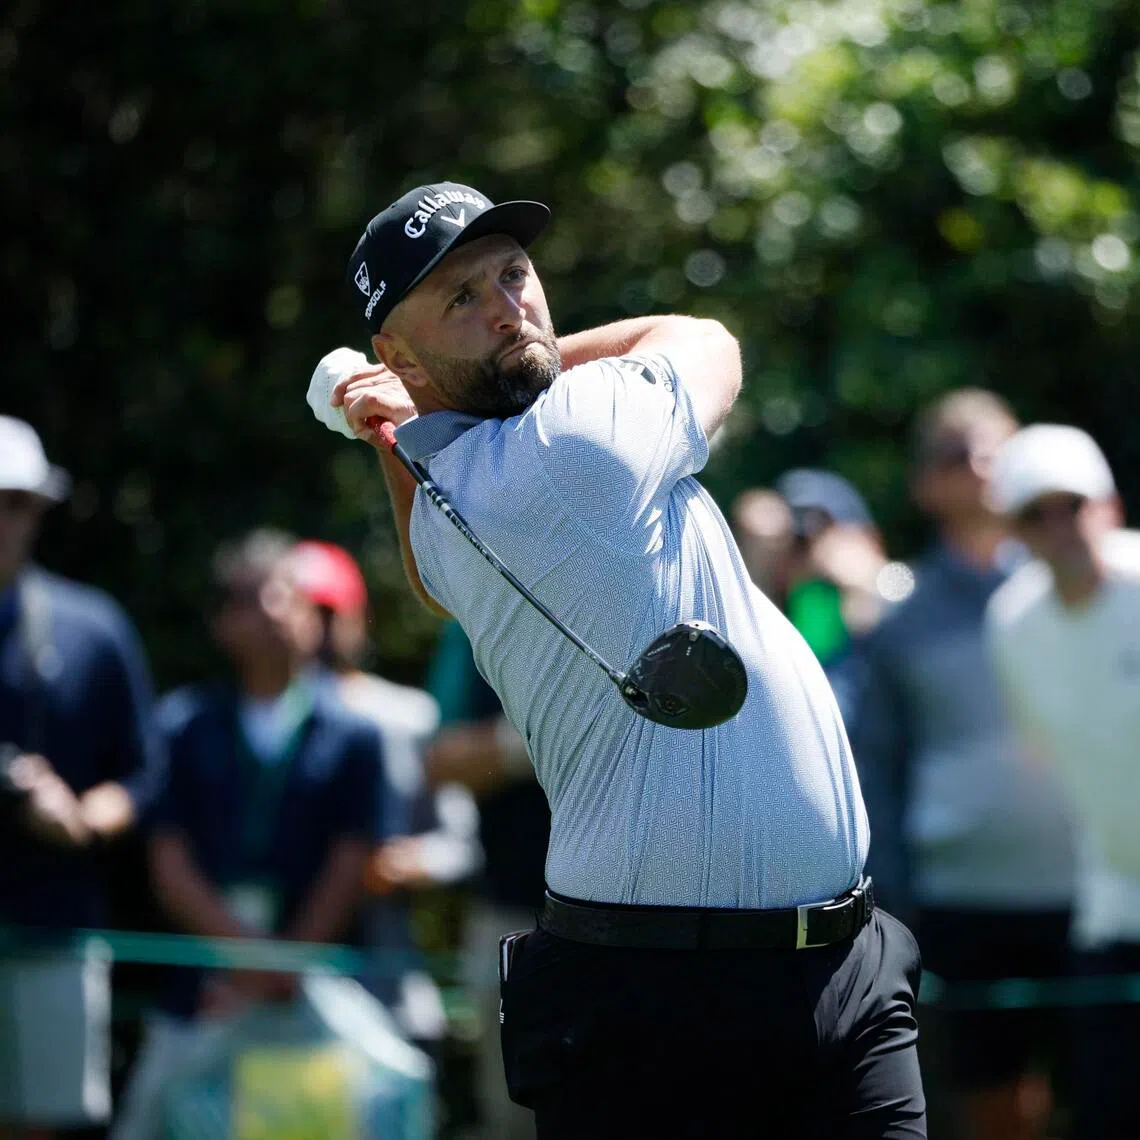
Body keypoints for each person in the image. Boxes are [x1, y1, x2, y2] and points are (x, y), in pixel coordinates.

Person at [309, 179, 925, 1139]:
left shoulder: (456, 500)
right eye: (461, 300)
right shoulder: (581, 438)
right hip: (662, 996)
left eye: (513, 276)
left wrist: (402, 417)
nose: (508, 307)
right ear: (399, 354)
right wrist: (512, 369)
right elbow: (704, 337)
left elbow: (435, 567)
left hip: (837, 967)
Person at [850, 391, 1076, 1140]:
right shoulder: (900, 623)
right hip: (961, 905)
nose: (980, 467)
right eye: (956, 454)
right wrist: (896, 905)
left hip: (1096, 900)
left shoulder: (1085, 591)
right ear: (926, 485)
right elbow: (878, 769)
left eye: (995, 451)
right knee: (995, 1109)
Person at [112, 529, 383, 1140]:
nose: (293, 610)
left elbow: (352, 861)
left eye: (299, 596)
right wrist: (250, 962)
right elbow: (170, 865)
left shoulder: (354, 734)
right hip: (200, 996)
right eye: (271, 594)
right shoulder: (182, 726)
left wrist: (281, 969)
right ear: (225, 621)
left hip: (311, 1001)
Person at [0, 415, 165, 1138]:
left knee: (45, 1124)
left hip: (54, 923)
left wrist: (79, 816)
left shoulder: (90, 629)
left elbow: (143, 773)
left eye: (11, 503)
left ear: (38, 510)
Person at [985, 424, 1140, 1140]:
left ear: (1105, 504)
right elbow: (1043, 750)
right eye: (1033, 514)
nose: (1057, 527)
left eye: (1069, 504)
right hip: (1112, 906)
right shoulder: (1011, 623)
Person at [290, 538, 480, 1055]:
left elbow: (460, 844)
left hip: (386, 977)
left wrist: (407, 863)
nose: (319, 629)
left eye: (330, 612)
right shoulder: (260, 722)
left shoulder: (408, 717)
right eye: (304, 611)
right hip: (282, 978)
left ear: (358, 616)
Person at [424, 618, 550, 1140]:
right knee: (511, 1119)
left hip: (646, 922)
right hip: (511, 918)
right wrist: (543, 734)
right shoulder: (478, 620)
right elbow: (441, 758)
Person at [772, 468, 898, 727]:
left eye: (824, 533)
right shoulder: (786, 623)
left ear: (871, 539)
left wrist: (866, 584)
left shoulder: (904, 596)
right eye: (797, 544)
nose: (812, 555)